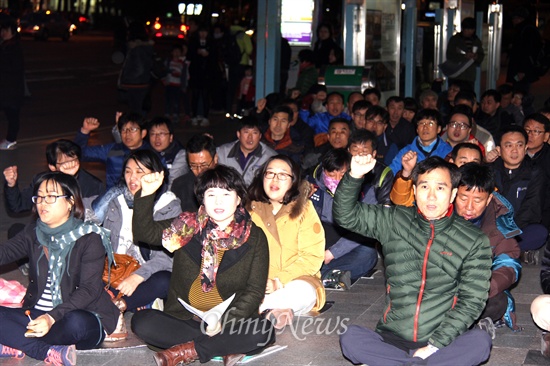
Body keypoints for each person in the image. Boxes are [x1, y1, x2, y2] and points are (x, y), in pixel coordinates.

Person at [335, 156, 492, 365]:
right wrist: (354, 175)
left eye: (440, 188)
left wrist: (434, 345)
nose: (431, 196)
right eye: (425, 186)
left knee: (480, 342)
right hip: (393, 337)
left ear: (453, 193)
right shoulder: (393, 220)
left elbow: (472, 300)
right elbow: (346, 215)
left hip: (442, 342)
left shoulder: (474, 240)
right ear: (415, 190)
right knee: (351, 337)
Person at [131, 165, 273, 366]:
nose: (218, 201)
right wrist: (145, 194)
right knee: (141, 321)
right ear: (202, 199)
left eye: (226, 193)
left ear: (239, 198)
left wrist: (224, 321)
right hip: (186, 320)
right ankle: (223, 347)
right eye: (211, 194)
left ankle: (188, 351)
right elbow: (145, 234)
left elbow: (255, 290)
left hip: (229, 322)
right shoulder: (186, 226)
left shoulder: (255, 237)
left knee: (262, 330)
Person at [0, 172, 119, 364]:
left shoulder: (89, 238)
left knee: (75, 324)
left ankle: (13, 340)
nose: (42, 203)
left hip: (81, 314)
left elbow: (89, 290)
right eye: (39, 196)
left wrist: (51, 317)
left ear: (70, 201)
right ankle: (43, 350)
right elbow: (5, 252)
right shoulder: (33, 232)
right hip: (38, 315)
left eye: (51, 197)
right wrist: (44, 317)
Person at [101, 150, 181, 340]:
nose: (132, 177)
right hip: (116, 270)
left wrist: (138, 277)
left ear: (156, 175)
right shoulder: (115, 201)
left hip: (148, 272)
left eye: (140, 171)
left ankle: (118, 306)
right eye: (128, 171)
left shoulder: (168, 206)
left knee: (165, 280)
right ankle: (131, 301)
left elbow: (167, 257)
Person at [247, 155, 325, 328]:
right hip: (259, 283)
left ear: (293, 181)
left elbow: (312, 257)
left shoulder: (303, 209)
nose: (275, 179)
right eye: (270, 173)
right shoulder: (250, 210)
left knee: (303, 292)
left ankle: (256, 311)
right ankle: (274, 311)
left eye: (282, 175)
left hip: (296, 279)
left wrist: (278, 281)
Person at [487, 125, 548, 255]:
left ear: (526, 148)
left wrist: (508, 232)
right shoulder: (490, 170)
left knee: (539, 232)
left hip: (518, 228)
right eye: (509, 145)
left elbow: (532, 209)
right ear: (499, 149)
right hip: (491, 227)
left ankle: (498, 249)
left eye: (519, 145)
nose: (514, 151)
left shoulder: (535, 172)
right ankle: (510, 251)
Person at [4, 139, 104, 214]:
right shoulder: (42, 181)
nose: (70, 164)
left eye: (73, 160)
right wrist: (11, 185)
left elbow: (96, 217)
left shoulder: (93, 184)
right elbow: (18, 206)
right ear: (52, 167)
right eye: (64, 162)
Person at [390, 143, 483, 206]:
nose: (469, 167)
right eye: (463, 162)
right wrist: (407, 172)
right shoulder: (438, 184)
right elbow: (400, 201)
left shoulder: (486, 189)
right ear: (452, 162)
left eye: (474, 163)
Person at [74, 113, 150, 190]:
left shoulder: (152, 153)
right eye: (124, 129)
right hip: (114, 198)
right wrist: (85, 131)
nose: (127, 133)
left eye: (133, 129)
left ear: (143, 133)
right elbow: (79, 153)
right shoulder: (112, 150)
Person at [217, 116, 277, 186]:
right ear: (238, 134)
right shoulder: (221, 153)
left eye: (254, 133)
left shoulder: (270, 157)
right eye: (246, 132)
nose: (250, 137)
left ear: (260, 136)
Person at [389, 109, 452, 174]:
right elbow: (390, 175)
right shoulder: (406, 152)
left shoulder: (448, 152)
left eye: (430, 123)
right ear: (417, 129)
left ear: (439, 129)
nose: (425, 127)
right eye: (421, 123)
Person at [171, 134, 218, 213]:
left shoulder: (229, 181)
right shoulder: (180, 185)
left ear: (215, 159)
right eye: (193, 165)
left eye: (204, 165)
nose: (199, 170)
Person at [118, 22, 154, 116]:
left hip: (135, 83)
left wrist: (129, 78)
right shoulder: (146, 46)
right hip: (144, 81)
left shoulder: (136, 48)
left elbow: (139, 67)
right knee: (139, 107)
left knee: (135, 109)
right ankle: (139, 126)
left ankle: (137, 127)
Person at [0, 17, 25, 150]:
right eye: (2, 30)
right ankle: (10, 139)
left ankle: (11, 140)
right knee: (11, 115)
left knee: (12, 116)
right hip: (6, 89)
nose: (3, 33)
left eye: (6, 30)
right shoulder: (5, 46)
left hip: (11, 90)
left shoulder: (13, 47)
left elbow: (14, 68)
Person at [506, 7, 543, 93]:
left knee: (520, 91)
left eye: (514, 18)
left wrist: (522, 70)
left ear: (519, 18)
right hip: (523, 69)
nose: (512, 20)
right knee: (520, 90)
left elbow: (526, 52)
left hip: (522, 70)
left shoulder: (526, 30)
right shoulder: (526, 29)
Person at [524, 113, 550, 229]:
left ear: (546, 136)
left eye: (536, 131)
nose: (530, 135)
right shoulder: (512, 154)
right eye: (527, 130)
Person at [445, 17, 484, 90]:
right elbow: (450, 55)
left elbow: (481, 55)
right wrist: (464, 56)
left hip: (469, 76)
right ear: (463, 29)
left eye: (472, 29)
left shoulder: (476, 40)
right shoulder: (455, 39)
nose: (470, 32)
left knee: (468, 95)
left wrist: (476, 57)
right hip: (456, 74)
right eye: (467, 29)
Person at [147, 117, 187, 188]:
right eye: (153, 134)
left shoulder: (180, 154)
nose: (157, 138)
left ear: (171, 137)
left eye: (161, 134)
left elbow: (173, 181)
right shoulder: (145, 152)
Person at [188, 25, 213, 127]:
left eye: (205, 32)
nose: (203, 34)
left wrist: (208, 55)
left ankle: (205, 117)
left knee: (206, 96)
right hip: (196, 74)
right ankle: (194, 116)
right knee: (195, 95)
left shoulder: (212, 43)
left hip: (207, 74)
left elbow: (215, 58)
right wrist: (196, 53)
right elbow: (189, 56)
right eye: (201, 32)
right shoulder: (193, 43)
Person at [163, 43, 190, 123]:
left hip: (178, 85)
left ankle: (175, 114)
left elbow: (185, 75)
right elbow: (163, 71)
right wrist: (164, 80)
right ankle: (167, 113)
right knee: (168, 100)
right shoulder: (168, 62)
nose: (176, 54)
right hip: (169, 84)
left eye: (178, 52)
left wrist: (184, 85)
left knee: (176, 101)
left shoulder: (182, 64)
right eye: (175, 51)